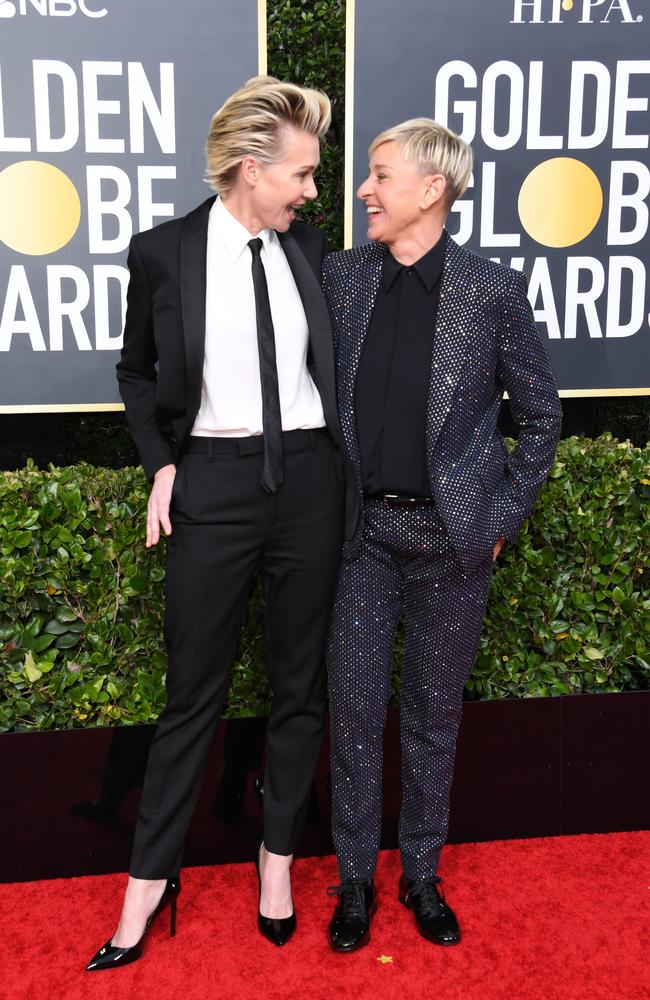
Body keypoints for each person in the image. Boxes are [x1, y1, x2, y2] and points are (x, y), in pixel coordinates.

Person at [86, 76, 346, 970]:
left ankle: (276, 869)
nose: (314, 192)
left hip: (312, 483)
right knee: (191, 694)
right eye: (303, 176)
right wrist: (163, 465)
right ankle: (148, 884)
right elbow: (134, 371)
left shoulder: (311, 251)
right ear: (250, 168)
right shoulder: (162, 253)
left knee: (297, 689)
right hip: (215, 485)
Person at [324, 119, 562, 952]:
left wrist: (497, 522)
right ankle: (354, 880)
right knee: (352, 713)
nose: (365, 192)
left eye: (380, 177)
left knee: (431, 716)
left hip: (453, 545)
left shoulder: (491, 291)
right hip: (364, 539)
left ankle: (421, 874)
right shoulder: (341, 278)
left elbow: (541, 418)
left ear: (432, 189)